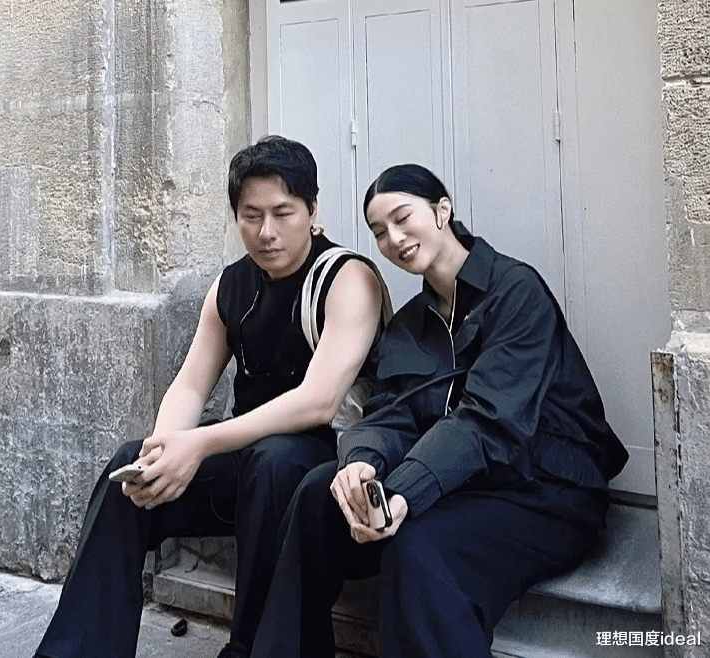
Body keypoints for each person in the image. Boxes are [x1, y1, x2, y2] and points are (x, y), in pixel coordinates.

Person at [249, 164, 629, 658]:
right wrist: (360, 463)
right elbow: (388, 414)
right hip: (462, 485)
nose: (393, 239)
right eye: (379, 232)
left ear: (441, 210)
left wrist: (403, 491)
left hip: (545, 489)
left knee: (418, 544)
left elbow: (487, 422)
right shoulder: (410, 324)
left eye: (402, 218)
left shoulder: (515, 292)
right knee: (320, 493)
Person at [33, 136, 388, 658]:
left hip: (320, 470)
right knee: (129, 470)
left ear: (312, 210)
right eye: (251, 216)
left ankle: (249, 649)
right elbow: (191, 384)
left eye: (282, 213)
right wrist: (165, 449)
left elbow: (319, 401)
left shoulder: (348, 278)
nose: (266, 232)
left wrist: (198, 444)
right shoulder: (231, 285)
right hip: (245, 458)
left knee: (274, 462)